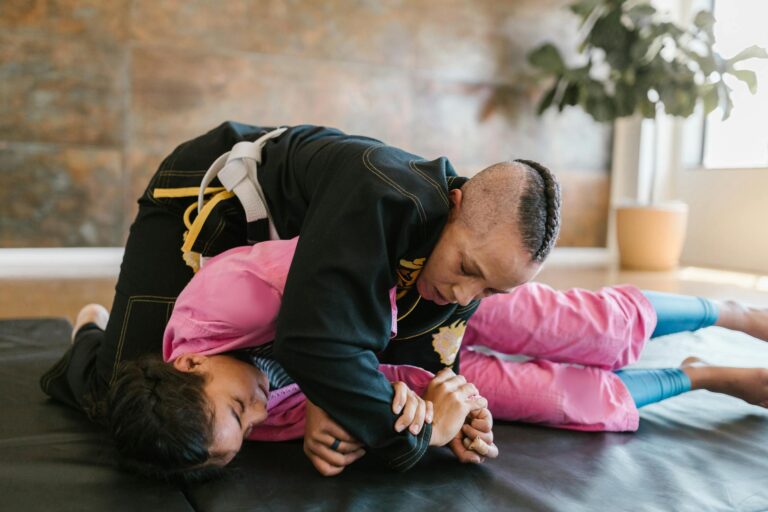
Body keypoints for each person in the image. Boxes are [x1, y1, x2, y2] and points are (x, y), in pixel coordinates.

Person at [40, 122, 561, 472]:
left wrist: (458, 417)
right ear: (453, 204)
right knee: (121, 394)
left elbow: (414, 373)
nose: (463, 294)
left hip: (269, 273)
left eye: (491, 289)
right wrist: (409, 435)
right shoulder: (379, 197)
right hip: (210, 197)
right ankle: (91, 332)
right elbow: (314, 344)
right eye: (468, 270)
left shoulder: (469, 257)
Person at [92, 236, 768, 481]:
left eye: (240, 405)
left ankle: (728, 312)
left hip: (430, 299)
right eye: (245, 433)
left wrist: (331, 384)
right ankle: (700, 376)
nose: (261, 412)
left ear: (188, 365)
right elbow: (370, 407)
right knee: (560, 402)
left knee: (587, 328)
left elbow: (346, 271)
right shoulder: (235, 423)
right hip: (422, 369)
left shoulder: (223, 298)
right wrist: (350, 439)